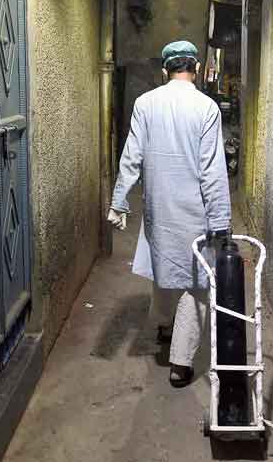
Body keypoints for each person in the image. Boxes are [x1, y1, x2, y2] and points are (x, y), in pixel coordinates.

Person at [107, 40, 231, 387]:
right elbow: (212, 170)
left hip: (159, 208)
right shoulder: (207, 108)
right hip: (195, 212)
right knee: (196, 282)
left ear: (165, 71)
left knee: (165, 265)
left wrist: (119, 202)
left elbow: (131, 156)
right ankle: (180, 362)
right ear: (195, 68)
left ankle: (163, 324)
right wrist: (220, 221)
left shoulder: (146, 103)